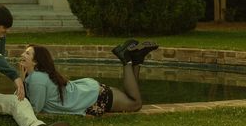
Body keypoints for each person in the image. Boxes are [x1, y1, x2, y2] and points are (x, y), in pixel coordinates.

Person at [20, 39, 158, 117]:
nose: (22, 55)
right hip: (91, 93)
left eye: (27, 53)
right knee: (131, 97)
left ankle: (127, 59)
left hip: (93, 98)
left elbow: (34, 110)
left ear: (36, 61)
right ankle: (137, 59)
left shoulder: (37, 79)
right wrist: (22, 78)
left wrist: (22, 81)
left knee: (135, 104)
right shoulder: (40, 75)